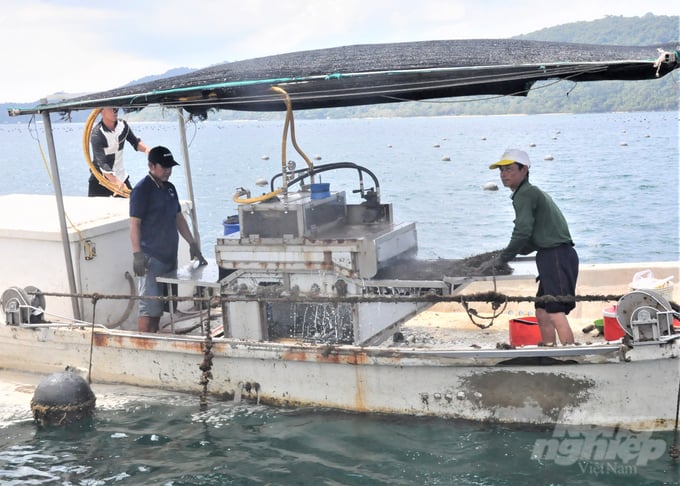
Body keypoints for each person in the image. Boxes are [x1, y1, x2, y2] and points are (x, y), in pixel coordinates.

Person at [487, 148, 578, 345]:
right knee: (542, 311)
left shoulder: (525, 194)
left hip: (556, 255)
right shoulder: (529, 193)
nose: (503, 175)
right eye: (501, 171)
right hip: (553, 255)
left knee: (555, 312)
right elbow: (529, 239)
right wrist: (512, 250)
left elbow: (522, 233)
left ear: (524, 169)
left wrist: (503, 257)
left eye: (509, 169)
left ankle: (572, 355)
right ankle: (549, 352)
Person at [129, 146, 207, 333]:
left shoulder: (170, 188)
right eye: (164, 167)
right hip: (151, 259)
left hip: (169, 258)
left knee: (162, 309)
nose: (168, 171)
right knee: (149, 309)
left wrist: (192, 243)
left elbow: (178, 218)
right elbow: (135, 224)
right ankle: (145, 345)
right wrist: (137, 254)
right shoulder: (142, 190)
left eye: (170, 167)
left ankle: (156, 340)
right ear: (151, 166)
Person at [89, 107, 150, 197]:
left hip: (121, 177)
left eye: (116, 107)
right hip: (100, 180)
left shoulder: (123, 126)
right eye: (111, 108)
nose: (115, 110)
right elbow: (102, 163)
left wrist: (147, 150)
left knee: (134, 205)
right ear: (101, 111)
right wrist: (116, 182)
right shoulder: (97, 134)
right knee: (95, 210)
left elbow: (135, 143)